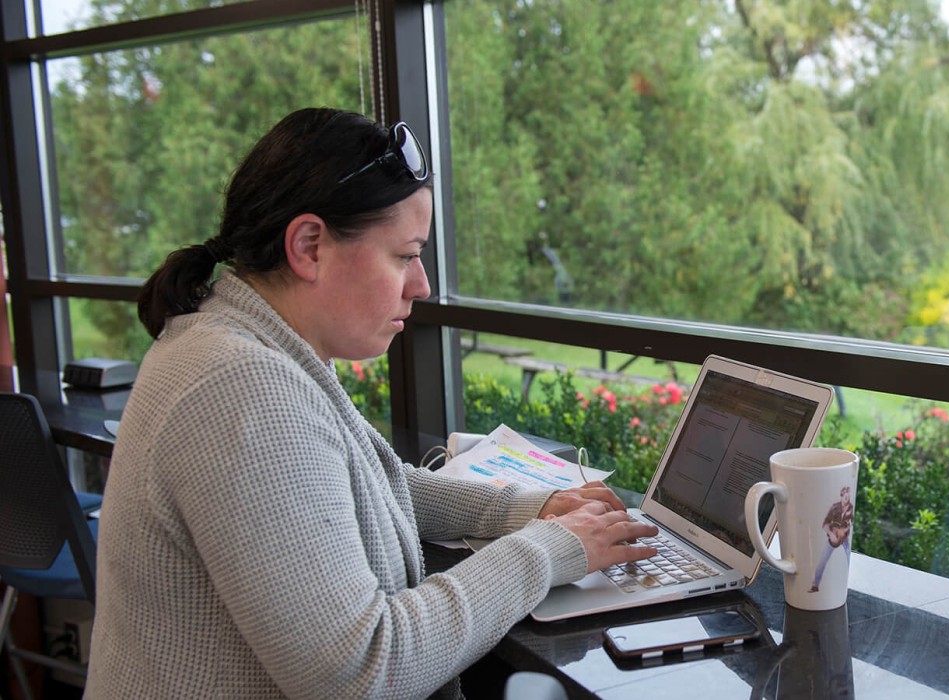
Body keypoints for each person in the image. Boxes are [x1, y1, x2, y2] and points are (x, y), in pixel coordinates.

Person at [85, 108, 659, 699]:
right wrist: (552, 549)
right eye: (405, 255)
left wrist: (533, 508)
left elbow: (369, 484)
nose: (423, 285)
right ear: (309, 246)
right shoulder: (246, 385)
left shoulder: (244, 342)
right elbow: (363, 670)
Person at [809, 485, 853, 593]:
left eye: (848, 497)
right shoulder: (834, 507)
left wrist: (846, 529)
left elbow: (850, 524)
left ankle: (847, 584)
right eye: (845, 496)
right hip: (832, 538)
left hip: (845, 538)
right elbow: (824, 524)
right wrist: (831, 534)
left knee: (848, 557)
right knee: (822, 560)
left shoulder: (851, 509)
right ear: (841, 496)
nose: (846, 499)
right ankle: (815, 585)